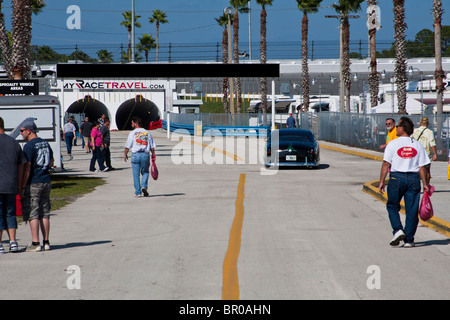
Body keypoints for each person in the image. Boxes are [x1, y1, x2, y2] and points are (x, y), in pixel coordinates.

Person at [378, 117, 430, 248]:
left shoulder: (393, 144)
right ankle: (409, 239)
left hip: (396, 178)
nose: (396, 128)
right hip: (413, 179)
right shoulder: (417, 145)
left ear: (403, 128)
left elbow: (386, 164)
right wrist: (425, 183)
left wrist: (381, 182)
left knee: (392, 206)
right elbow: (422, 166)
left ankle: (398, 230)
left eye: (398, 126)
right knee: (412, 210)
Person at [19, 119, 54, 252]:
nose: (21, 134)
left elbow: (27, 167)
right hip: (46, 179)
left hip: (34, 181)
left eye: (22, 131)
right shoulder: (45, 143)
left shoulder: (29, 146)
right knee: (45, 212)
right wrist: (44, 168)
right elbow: (51, 160)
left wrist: (22, 186)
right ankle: (46, 241)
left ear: (29, 131)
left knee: (33, 212)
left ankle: (35, 242)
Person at [0, 117, 26, 253]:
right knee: (11, 213)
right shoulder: (13, 143)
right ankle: (13, 242)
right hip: (11, 184)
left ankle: (0, 245)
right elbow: (21, 164)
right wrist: (20, 184)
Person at [124, 116, 156, 197]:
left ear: (136, 123)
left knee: (136, 174)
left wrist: (125, 154)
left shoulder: (132, 133)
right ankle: (144, 186)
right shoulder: (147, 133)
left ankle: (138, 192)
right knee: (145, 172)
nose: (131, 125)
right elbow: (152, 146)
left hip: (135, 155)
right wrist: (153, 155)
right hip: (145, 154)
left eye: (132, 123)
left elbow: (128, 145)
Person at [412, 117, 437, 186]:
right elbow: (432, 143)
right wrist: (435, 153)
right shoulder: (430, 132)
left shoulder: (415, 131)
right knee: (427, 171)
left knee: (416, 170)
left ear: (420, 123)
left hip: (416, 153)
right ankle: (426, 185)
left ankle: (416, 185)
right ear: (428, 124)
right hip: (426, 154)